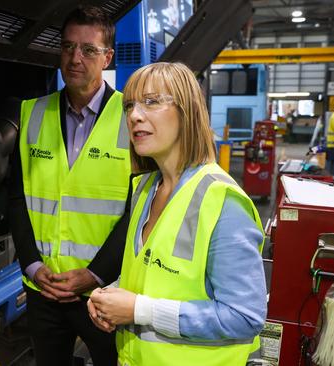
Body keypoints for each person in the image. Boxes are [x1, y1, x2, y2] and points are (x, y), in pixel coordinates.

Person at [87, 62, 267, 366]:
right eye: (129, 105)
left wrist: (138, 310)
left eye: (152, 102)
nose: (134, 115)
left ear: (187, 112)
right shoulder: (145, 189)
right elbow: (151, 275)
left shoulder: (222, 201)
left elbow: (244, 317)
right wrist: (110, 296)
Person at [8, 5, 131, 365]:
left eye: (88, 50)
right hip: (44, 290)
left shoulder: (131, 117)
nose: (75, 58)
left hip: (105, 293)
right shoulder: (32, 113)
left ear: (107, 57)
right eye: (67, 47)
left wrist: (94, 274)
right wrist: (31, 265)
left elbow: (139, 211)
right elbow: (17, 198)